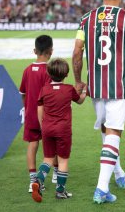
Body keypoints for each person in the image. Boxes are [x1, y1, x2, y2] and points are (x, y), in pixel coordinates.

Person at [72, 0, 125, 204]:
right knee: (114, 133)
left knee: (107, 131)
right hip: (118, 85)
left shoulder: (86, 19)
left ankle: (118, 172)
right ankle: (101, 188)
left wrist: (78, 81)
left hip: (95, 87)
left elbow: (77, 52)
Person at [31, 58, 87, 202]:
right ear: (66, 74)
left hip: (47, 128)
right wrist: (85, 91)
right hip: (63, 130)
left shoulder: (44, 89)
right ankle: (60, 191)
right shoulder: (68, 89)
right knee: (63, 161)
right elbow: (79, 101)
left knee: (48, 159)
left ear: (48, 74)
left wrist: (42, 126)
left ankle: (38, 181)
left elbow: (39, 108)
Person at [19, 35, 59, 193]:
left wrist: (28, 108)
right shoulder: (50, 71)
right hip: (47, 115)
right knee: (52, 144)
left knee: (33, 144)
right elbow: (52, 95)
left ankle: (32, 180)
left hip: (30, 114)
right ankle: (56, 173)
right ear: (51, 51)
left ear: (35, 51)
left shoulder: (27, 70)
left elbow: (22, 92)